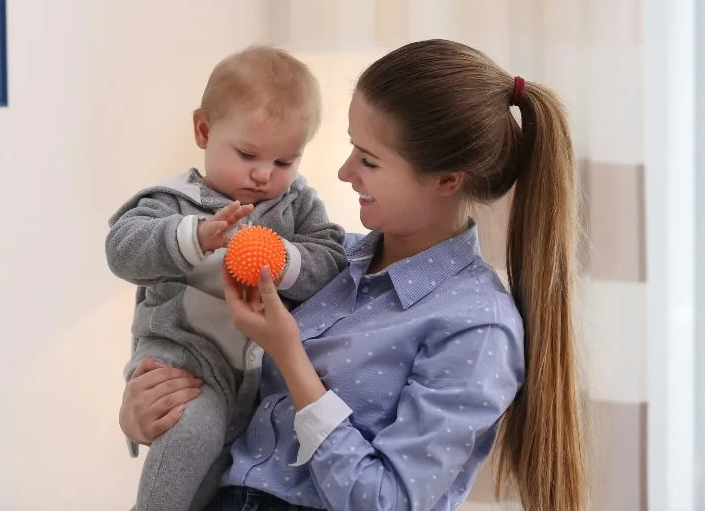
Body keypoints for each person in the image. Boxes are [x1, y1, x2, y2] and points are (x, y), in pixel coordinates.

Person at [119, 39, 586, 511]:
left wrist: (291, 357)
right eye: (350, 148)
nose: (344, 173)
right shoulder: (324, 261)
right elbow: (190, 319)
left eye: (368, 159)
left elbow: (387, 501)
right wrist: (147, 410)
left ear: (448, 180)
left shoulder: (476, 325)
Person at [106, 45, 348, 511]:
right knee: (190, 434)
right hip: (187, 363)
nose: (263, 175)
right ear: (203, 130)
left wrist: (283, 260)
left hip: (263, 382)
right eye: (248, 154)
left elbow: (332, 260)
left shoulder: (296, 204)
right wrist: (194, 237)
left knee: (219, 480)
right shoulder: (173, 201)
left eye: (284, 162)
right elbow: (122, 249)